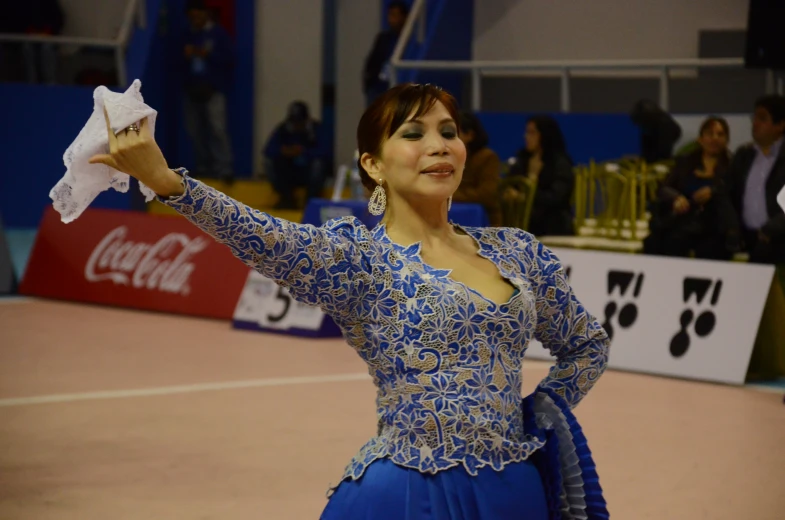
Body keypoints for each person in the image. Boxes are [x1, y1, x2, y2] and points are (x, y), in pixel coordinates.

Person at [88, 83, 610, 519]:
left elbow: (586, 346)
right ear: (373, 165)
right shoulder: (358, 258)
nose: (440, 145)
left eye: (449, 132)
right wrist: (168, 184)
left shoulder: (517, 250)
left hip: (513, 496)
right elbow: (262, 235)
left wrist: (540, 414)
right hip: (408, 497)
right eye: (414, 133)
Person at [644, 116, 740, 260]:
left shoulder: (733, 167)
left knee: (709, 249)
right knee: (658, 241)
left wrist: (713, 193)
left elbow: (735, 194)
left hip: (714, 226)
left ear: (727, 140)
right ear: (700, 139)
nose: (714, 138)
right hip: (683, 220)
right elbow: (663, 188)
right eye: (709, 133)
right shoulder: (685, 162)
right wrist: (676, 198)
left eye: (720, 134)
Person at [726, 94, 785, 265]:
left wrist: (771, 229)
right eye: (755, 117)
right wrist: (732, 227)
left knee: (764, 254)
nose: (755, 123)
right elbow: (726, 193)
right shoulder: (744, 155)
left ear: (780, 125)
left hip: (776, 234)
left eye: (763, 118)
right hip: (744, 233)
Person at [182, 0, 235, 183]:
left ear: (206, 14)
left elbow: (229, 59)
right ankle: (203, 167)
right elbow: (178, 63)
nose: (195, 20)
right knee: (194, 130)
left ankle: (224, 168)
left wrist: (207, 54)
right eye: (192, 17)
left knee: (217, 128)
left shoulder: (218, 34)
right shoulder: (188, 34)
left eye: (198, 15)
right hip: (192, 89)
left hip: (214, 89)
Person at [502, 116, 575, 236]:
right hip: (520, 224)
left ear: (545, 135)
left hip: (552, 224)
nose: (526, 136)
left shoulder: (560, 163)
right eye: (527, 132)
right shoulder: (522, 159)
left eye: (532, 132)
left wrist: (526, 195)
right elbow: (509, 184)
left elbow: (556, 198)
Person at [263, 101, 329, 209]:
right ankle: (286, 198)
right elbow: (268, 150)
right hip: (289, 172)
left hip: (308, 172)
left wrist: (303, 152)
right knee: (269, 162)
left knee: (318, 164)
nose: (297, 125)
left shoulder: (316, 129)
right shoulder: (283, 129)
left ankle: (310, 200)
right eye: (294, 122)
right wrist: (284, 151)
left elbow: (325, 152)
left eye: (299, 122)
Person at [452, 111, 502, 226]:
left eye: (454, 134)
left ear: (470, 135)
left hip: (485, 221)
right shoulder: (450, 157)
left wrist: (450, 195)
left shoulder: (487, 157)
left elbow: (487, 194)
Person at [362, 1, 408, 106]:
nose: (391, 19)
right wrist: (369, 82)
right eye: (390, 15)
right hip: (378, 88)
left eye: (395, 15)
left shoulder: (410, 42)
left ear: (404, 17)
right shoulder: (383, 38)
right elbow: (373, 60)